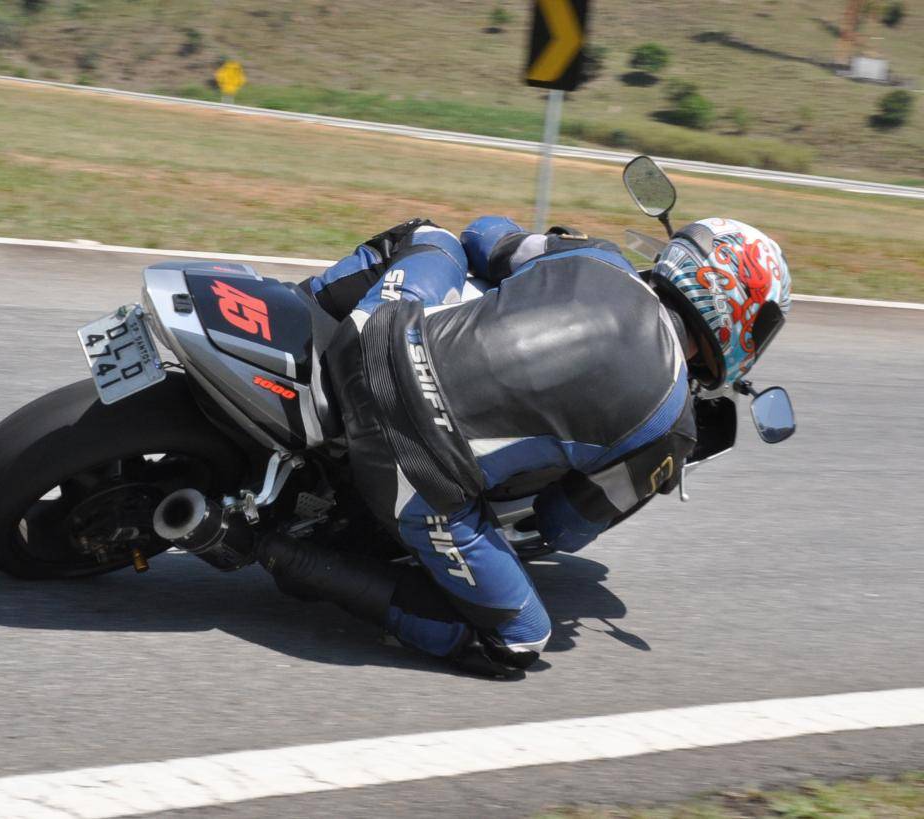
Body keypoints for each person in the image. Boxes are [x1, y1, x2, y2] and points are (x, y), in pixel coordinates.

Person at [256, 215, 792, 677]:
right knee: (519, 639)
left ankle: (288, 309)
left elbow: (485, 237)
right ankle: (290, 555)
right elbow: (561, 526)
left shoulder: (596, 256)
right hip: (414, 467)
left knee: (431, 235)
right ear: (742, 321)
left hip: (372, 341)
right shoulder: (672, 427)